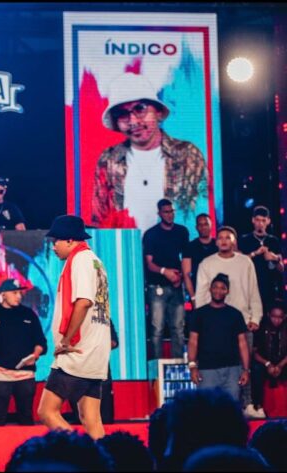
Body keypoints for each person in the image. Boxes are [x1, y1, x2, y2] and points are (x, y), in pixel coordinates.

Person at [93, 72, 206, 230]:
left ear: (158, 112)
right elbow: (99, 218)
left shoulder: (188, 154)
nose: (133, 121)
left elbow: (202, 210)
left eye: (140, 109)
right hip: (127, 244)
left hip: (175, 244)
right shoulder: (108, 159)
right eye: (122, 114)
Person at [37, 215, 111, 440]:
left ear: (70, 240)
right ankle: (104, 457)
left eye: (56, 241)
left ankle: (80, 452)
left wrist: (66, 340)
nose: (53, 246)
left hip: (77, 351)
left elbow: (84, 301)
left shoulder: (80, 260)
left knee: (47, 412)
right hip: (95, 350)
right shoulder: (96, 261)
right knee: (91, 418)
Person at [195, 226, 263, 417]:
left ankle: (247, 404)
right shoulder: (207, 263)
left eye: (228, 237)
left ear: (234, 241)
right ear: (216, 241)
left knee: (244, 364)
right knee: (218, 366)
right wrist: (203, 319)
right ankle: (216, 411)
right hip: (214, 323)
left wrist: (255, 317)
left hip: (242, 320)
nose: (224, 241)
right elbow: (201, 294)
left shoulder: (245, 262)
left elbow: (253, 290)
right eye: (220, 237)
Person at [0, 278, 47, 426]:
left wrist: (35, 354)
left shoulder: (28, 314)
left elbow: (40, 342)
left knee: (26, 418)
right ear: (3, 294)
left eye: (20, 293)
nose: (19, 296)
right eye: (14, 293)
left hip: (25, 374)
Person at [187, 273, 250, 401]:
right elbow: (193, 341)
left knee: (231, 408)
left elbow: (242, 343)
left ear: (227, 291)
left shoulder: (235, 314)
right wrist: (192, 367)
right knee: (207, 408)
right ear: (210, 289)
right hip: (207, 370)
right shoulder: (199, 314)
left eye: (222, 288)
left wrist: (245, 370)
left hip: (232, 370)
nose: (218, 291)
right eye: (215, 287)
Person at [143, 199, 189, 359]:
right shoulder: (151, 234)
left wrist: (180, 276)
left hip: (176, 286)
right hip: (157, 286)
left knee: (178, 328)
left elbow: (186, 258)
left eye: (172, 211)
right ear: (160, 213)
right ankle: (157, 366)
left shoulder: (182, 232)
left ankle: (178, 365)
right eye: (166, 212)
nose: (170, 215)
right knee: (157, 329)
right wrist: (165, 272)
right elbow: (149, 264)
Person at [238, 205, 284, 308]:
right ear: (253, 220)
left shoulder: (274, 241)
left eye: (263, 220)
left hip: (270, 288)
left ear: (268, 221)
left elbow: (281, 269)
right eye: (258, 220)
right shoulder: (244, 240)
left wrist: (275, 259)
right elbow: (239, 263)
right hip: (249, 286)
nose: (260, 224)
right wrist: (255, 253)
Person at [252, 301, 287, 417]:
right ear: (268, 315)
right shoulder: (261, 329)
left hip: (283, 363)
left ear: (284, 317)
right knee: (256, 369)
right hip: (265, 362)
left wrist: (280, 366)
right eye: (274, 316)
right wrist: (267, 364)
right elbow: (255, 353)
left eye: (280, 317)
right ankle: (258, 406)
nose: (277, 320)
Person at [182, 213, 217, 306]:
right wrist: (193, 297)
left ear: (211, 225)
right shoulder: (190, 247)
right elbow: (186, 274)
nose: (203, 227)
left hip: (219, 291)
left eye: (206, 224)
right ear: (196, 227)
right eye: (200, 225)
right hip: (199, 292)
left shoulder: (218, 245)